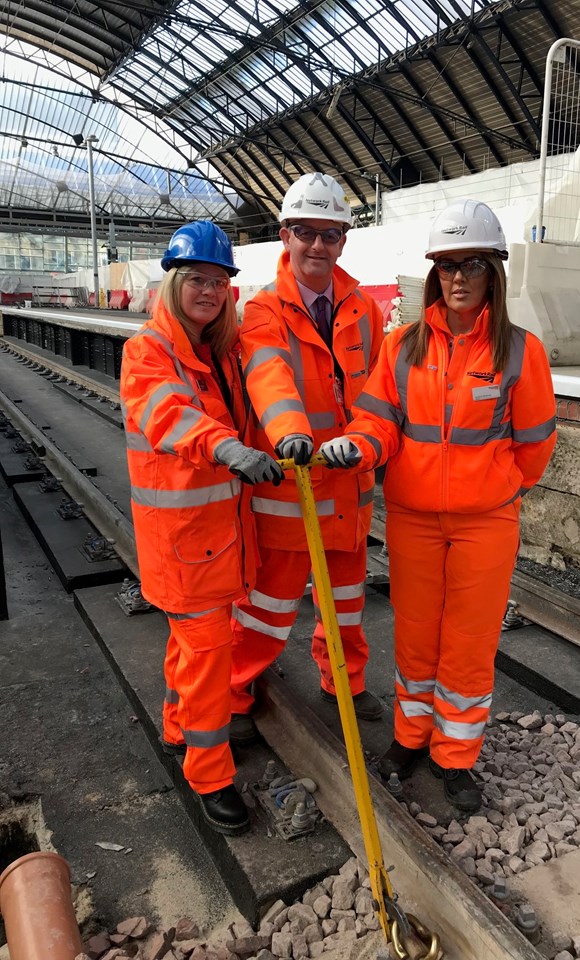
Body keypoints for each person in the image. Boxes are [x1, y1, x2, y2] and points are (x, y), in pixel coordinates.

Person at [320, 199, 557, 812]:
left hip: (487, 522)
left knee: (470, 641)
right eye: (447, 265)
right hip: (414, 520)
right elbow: (379, 421)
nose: (457, 277)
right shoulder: (402, 346)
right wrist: (359, 446)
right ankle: (410, 737)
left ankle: (456, 756)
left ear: (493, 274)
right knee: (417, 634)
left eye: (471, 265)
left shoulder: (519, 351)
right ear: (433, 273)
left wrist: (498, 488)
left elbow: (535, 443)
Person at [120, 220, 283, 835]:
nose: (208, 291)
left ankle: (175, 729)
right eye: (196, 280)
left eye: (218, 282)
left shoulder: (216, 353)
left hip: (214, 538)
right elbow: (168, 413)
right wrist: (228, 448)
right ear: (173, 282)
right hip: (186, 544)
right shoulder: (150, 352)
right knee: (209, 657)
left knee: (190, 650)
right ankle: (209, 774)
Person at [230, 172, 385, 734]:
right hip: (293, 488)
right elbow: (268, 372)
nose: (317, 245)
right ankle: (232, 693)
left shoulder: (364, 309)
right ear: (284, 235)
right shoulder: (263, 309)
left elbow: (378, 391)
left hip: (346, 485)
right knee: (267, 610)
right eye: (305, 232)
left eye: (329, 233)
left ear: (343, 239)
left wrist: (365, 441)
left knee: (345, 602)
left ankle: (345, 681)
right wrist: (290, 432)